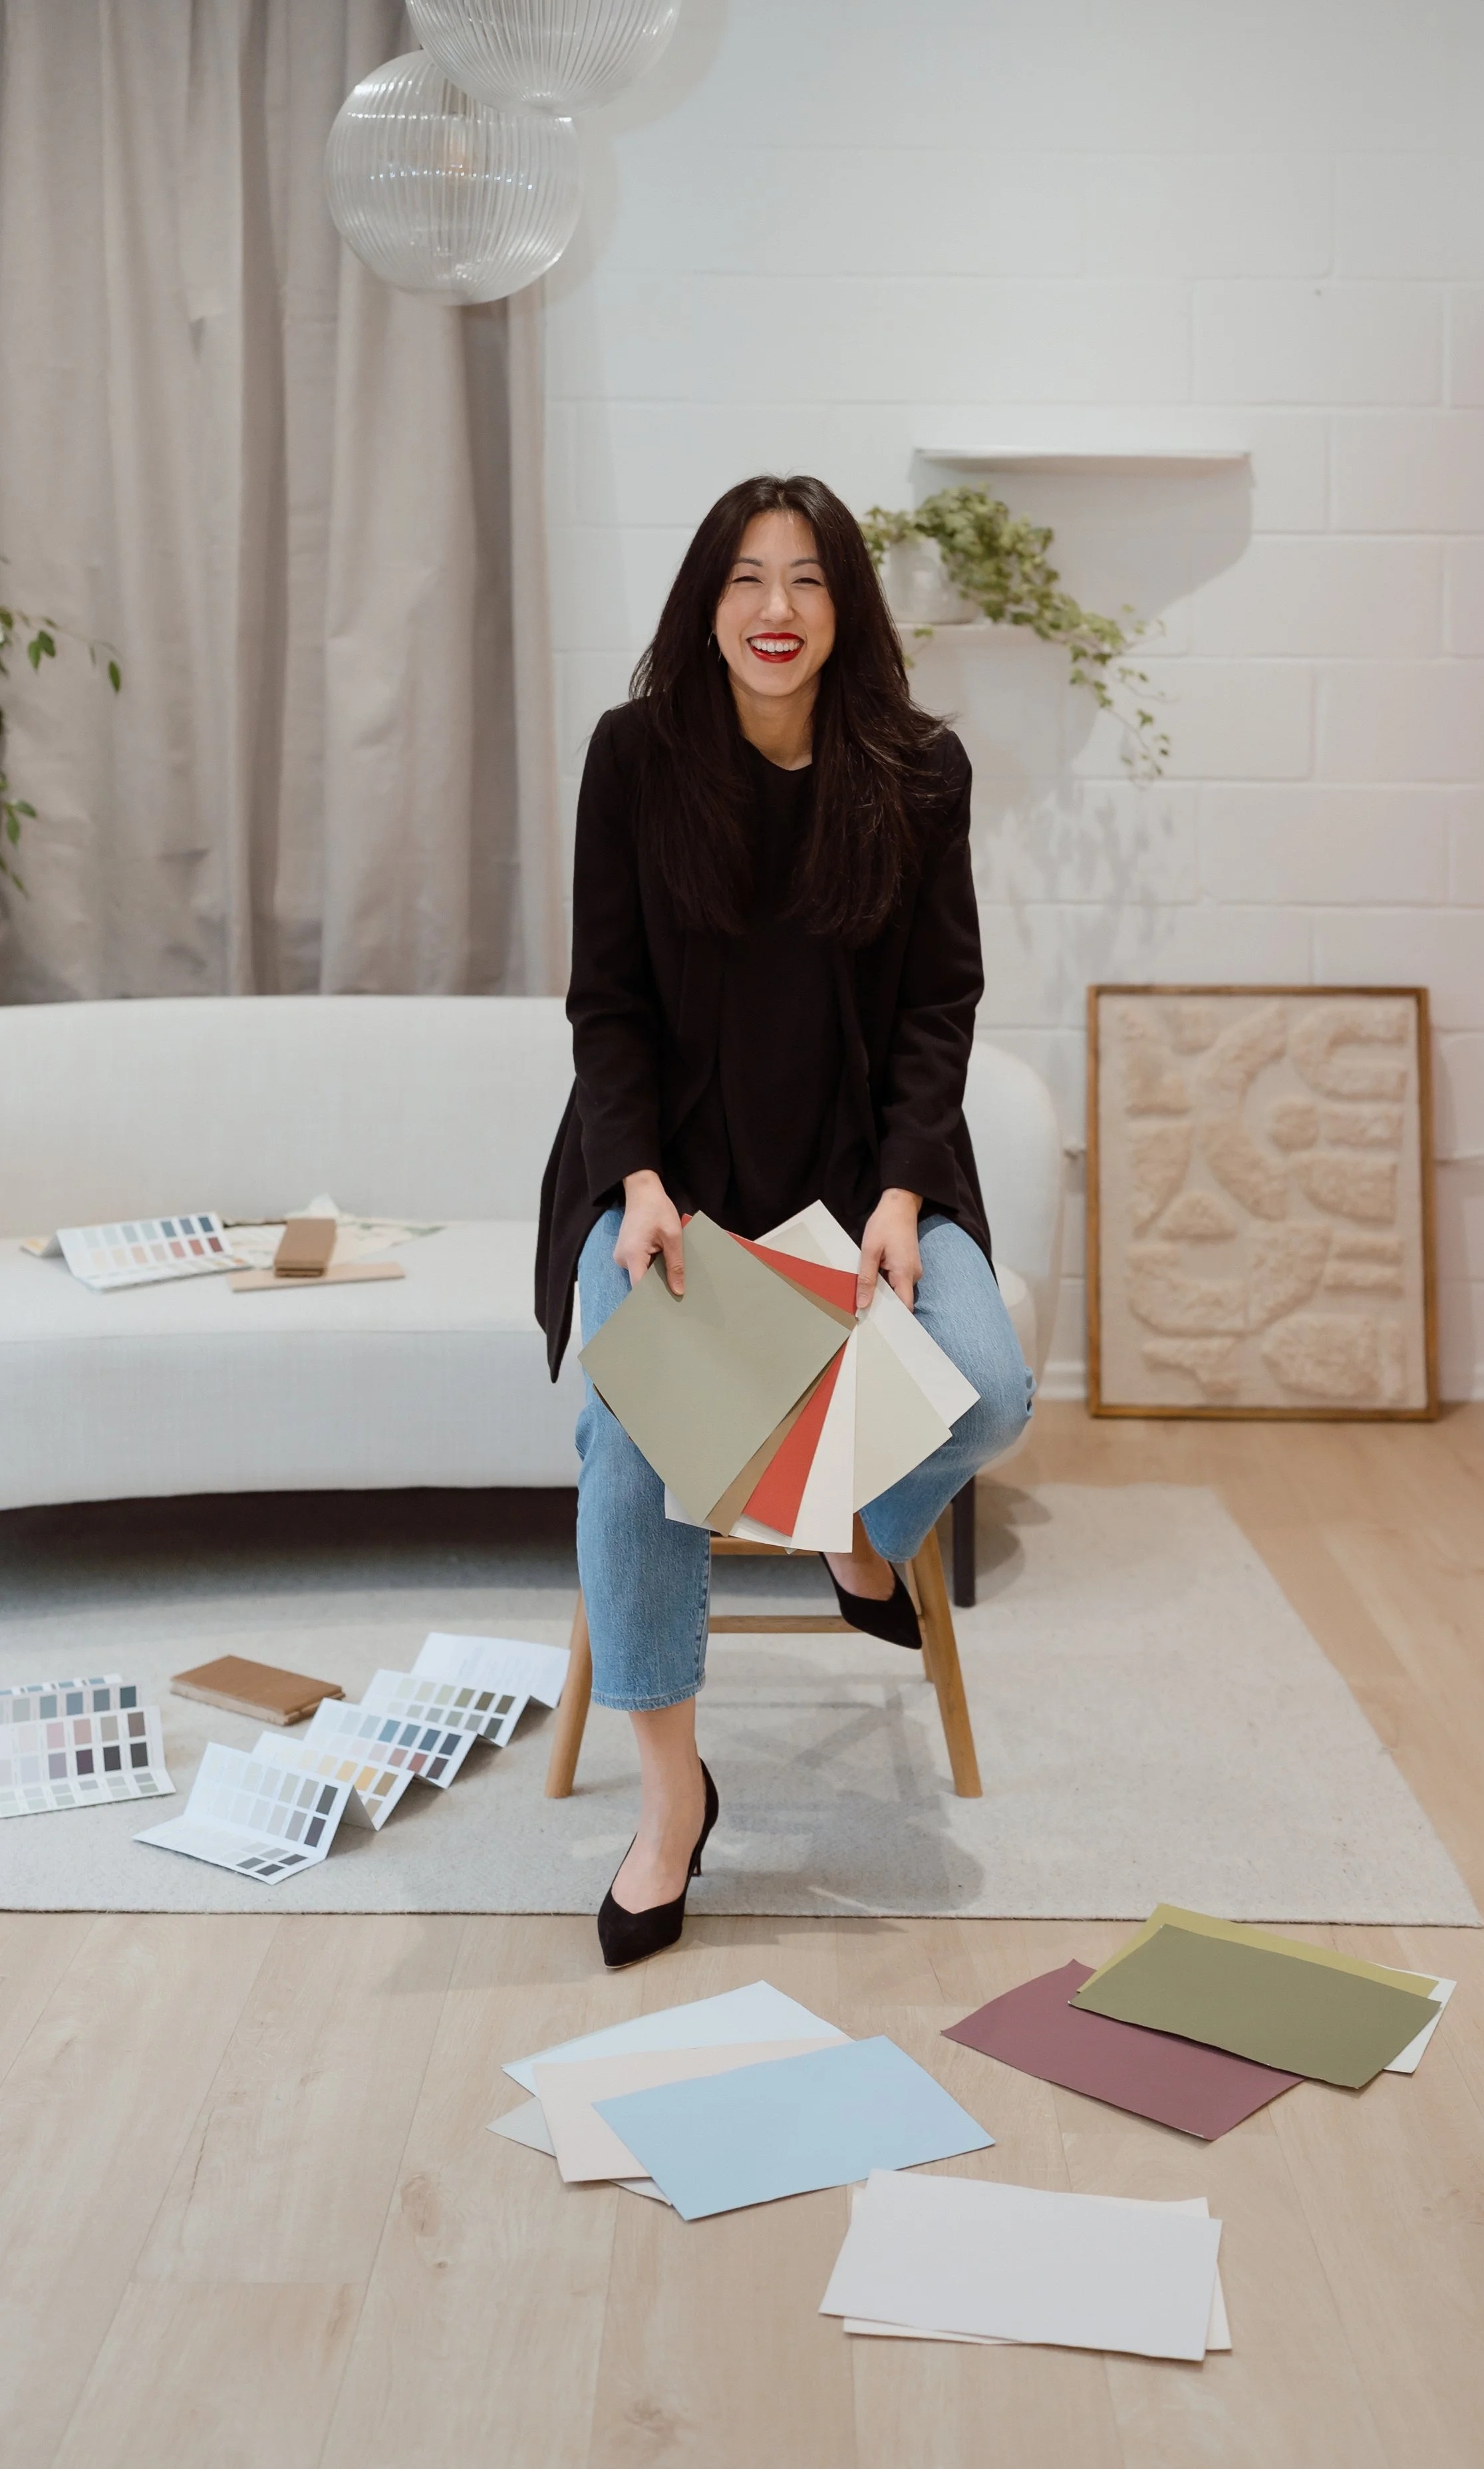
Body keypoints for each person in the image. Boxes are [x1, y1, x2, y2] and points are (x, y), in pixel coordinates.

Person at [534, 473, 1032, 1967]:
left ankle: (861, 1533)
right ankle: (673, 1805)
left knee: (989, 1387)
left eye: (807, 580)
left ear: (844, 608)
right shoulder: (634, 760)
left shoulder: (915, 768)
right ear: (705, 602)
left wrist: (896, 1194)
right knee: (634, 1432)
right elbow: (606, 1008)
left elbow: (941, 1002)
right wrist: (635, 1190)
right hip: (661, 1190)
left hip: (867, 1177)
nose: (774, 610)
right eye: (746, 579)